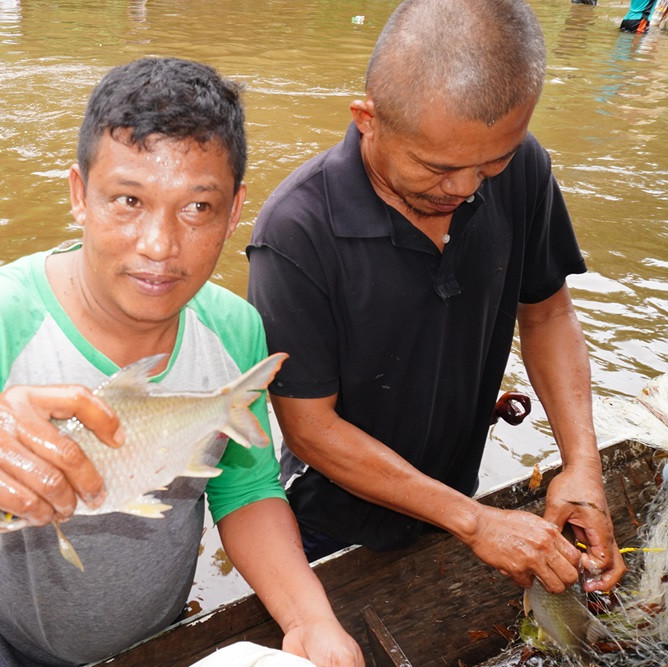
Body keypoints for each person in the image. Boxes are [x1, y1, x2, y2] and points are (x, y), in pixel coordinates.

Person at [0, 57, 364, 667]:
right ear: (79, 194)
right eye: (128, 199)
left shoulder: (234, 331)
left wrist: (309, 620)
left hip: (151, 632)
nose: (159, 245)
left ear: (235, 209)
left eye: (197, 209)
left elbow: (244, 488)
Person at [247, 0, 627, 597]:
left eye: (492, 162)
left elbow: (548, 310)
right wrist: (476, 523)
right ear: (367, 118)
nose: (467, 188)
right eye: (438, 167)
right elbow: (310, 428)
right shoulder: (297, 231)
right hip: (333, 519)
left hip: (457, 489)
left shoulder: (523, 169)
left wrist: (582, 463)